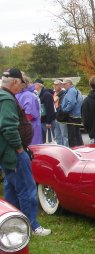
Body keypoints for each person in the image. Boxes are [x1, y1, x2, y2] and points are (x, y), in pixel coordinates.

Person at [0, 68, 51, 236]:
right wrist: (19, 148)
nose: (21, 87)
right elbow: (8, 127)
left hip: (6, 153)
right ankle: (32, 225)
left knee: (11, 188)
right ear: (15, 82)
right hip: (14, 152)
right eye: (20, 83)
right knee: (27, 189)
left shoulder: (3, 96)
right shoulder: (7, 98)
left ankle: (13, 225)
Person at [15, 74, 42, 145]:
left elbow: (29, 114)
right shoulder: (18, 94)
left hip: (30, 130)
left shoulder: (28, 95)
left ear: (22, 84)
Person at [61, 78, 83, 147]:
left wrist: (64, 110)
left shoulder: (71, 91)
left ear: (69, 84)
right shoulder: (76, 90)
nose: (63, 86)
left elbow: (71, 103)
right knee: (77, 135)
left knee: (72, 137)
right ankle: (80, 149)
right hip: (76, 116)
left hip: (72, 116)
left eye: (64, 84)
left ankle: (74, 151)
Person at [34, 79, 56, 143]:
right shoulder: (38, 94)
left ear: (40, 85)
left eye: (35, 84)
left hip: (47, 121)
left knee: (49, 140)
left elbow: (50, 109)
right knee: (43, 139)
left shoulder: (47, 95)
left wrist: (48, 122)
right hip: (42, 120)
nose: (34, 86)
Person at [53, 79, 68, 146]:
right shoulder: (54, 93)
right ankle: (59, 148)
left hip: (61, 116)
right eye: (54, 85)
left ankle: (66, 149)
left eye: (56, 85)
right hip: (55, 115)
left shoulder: (63, 93)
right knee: (57, 135)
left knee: (64, 135)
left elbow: (55, 101)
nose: (54, 86)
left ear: (60, 85)